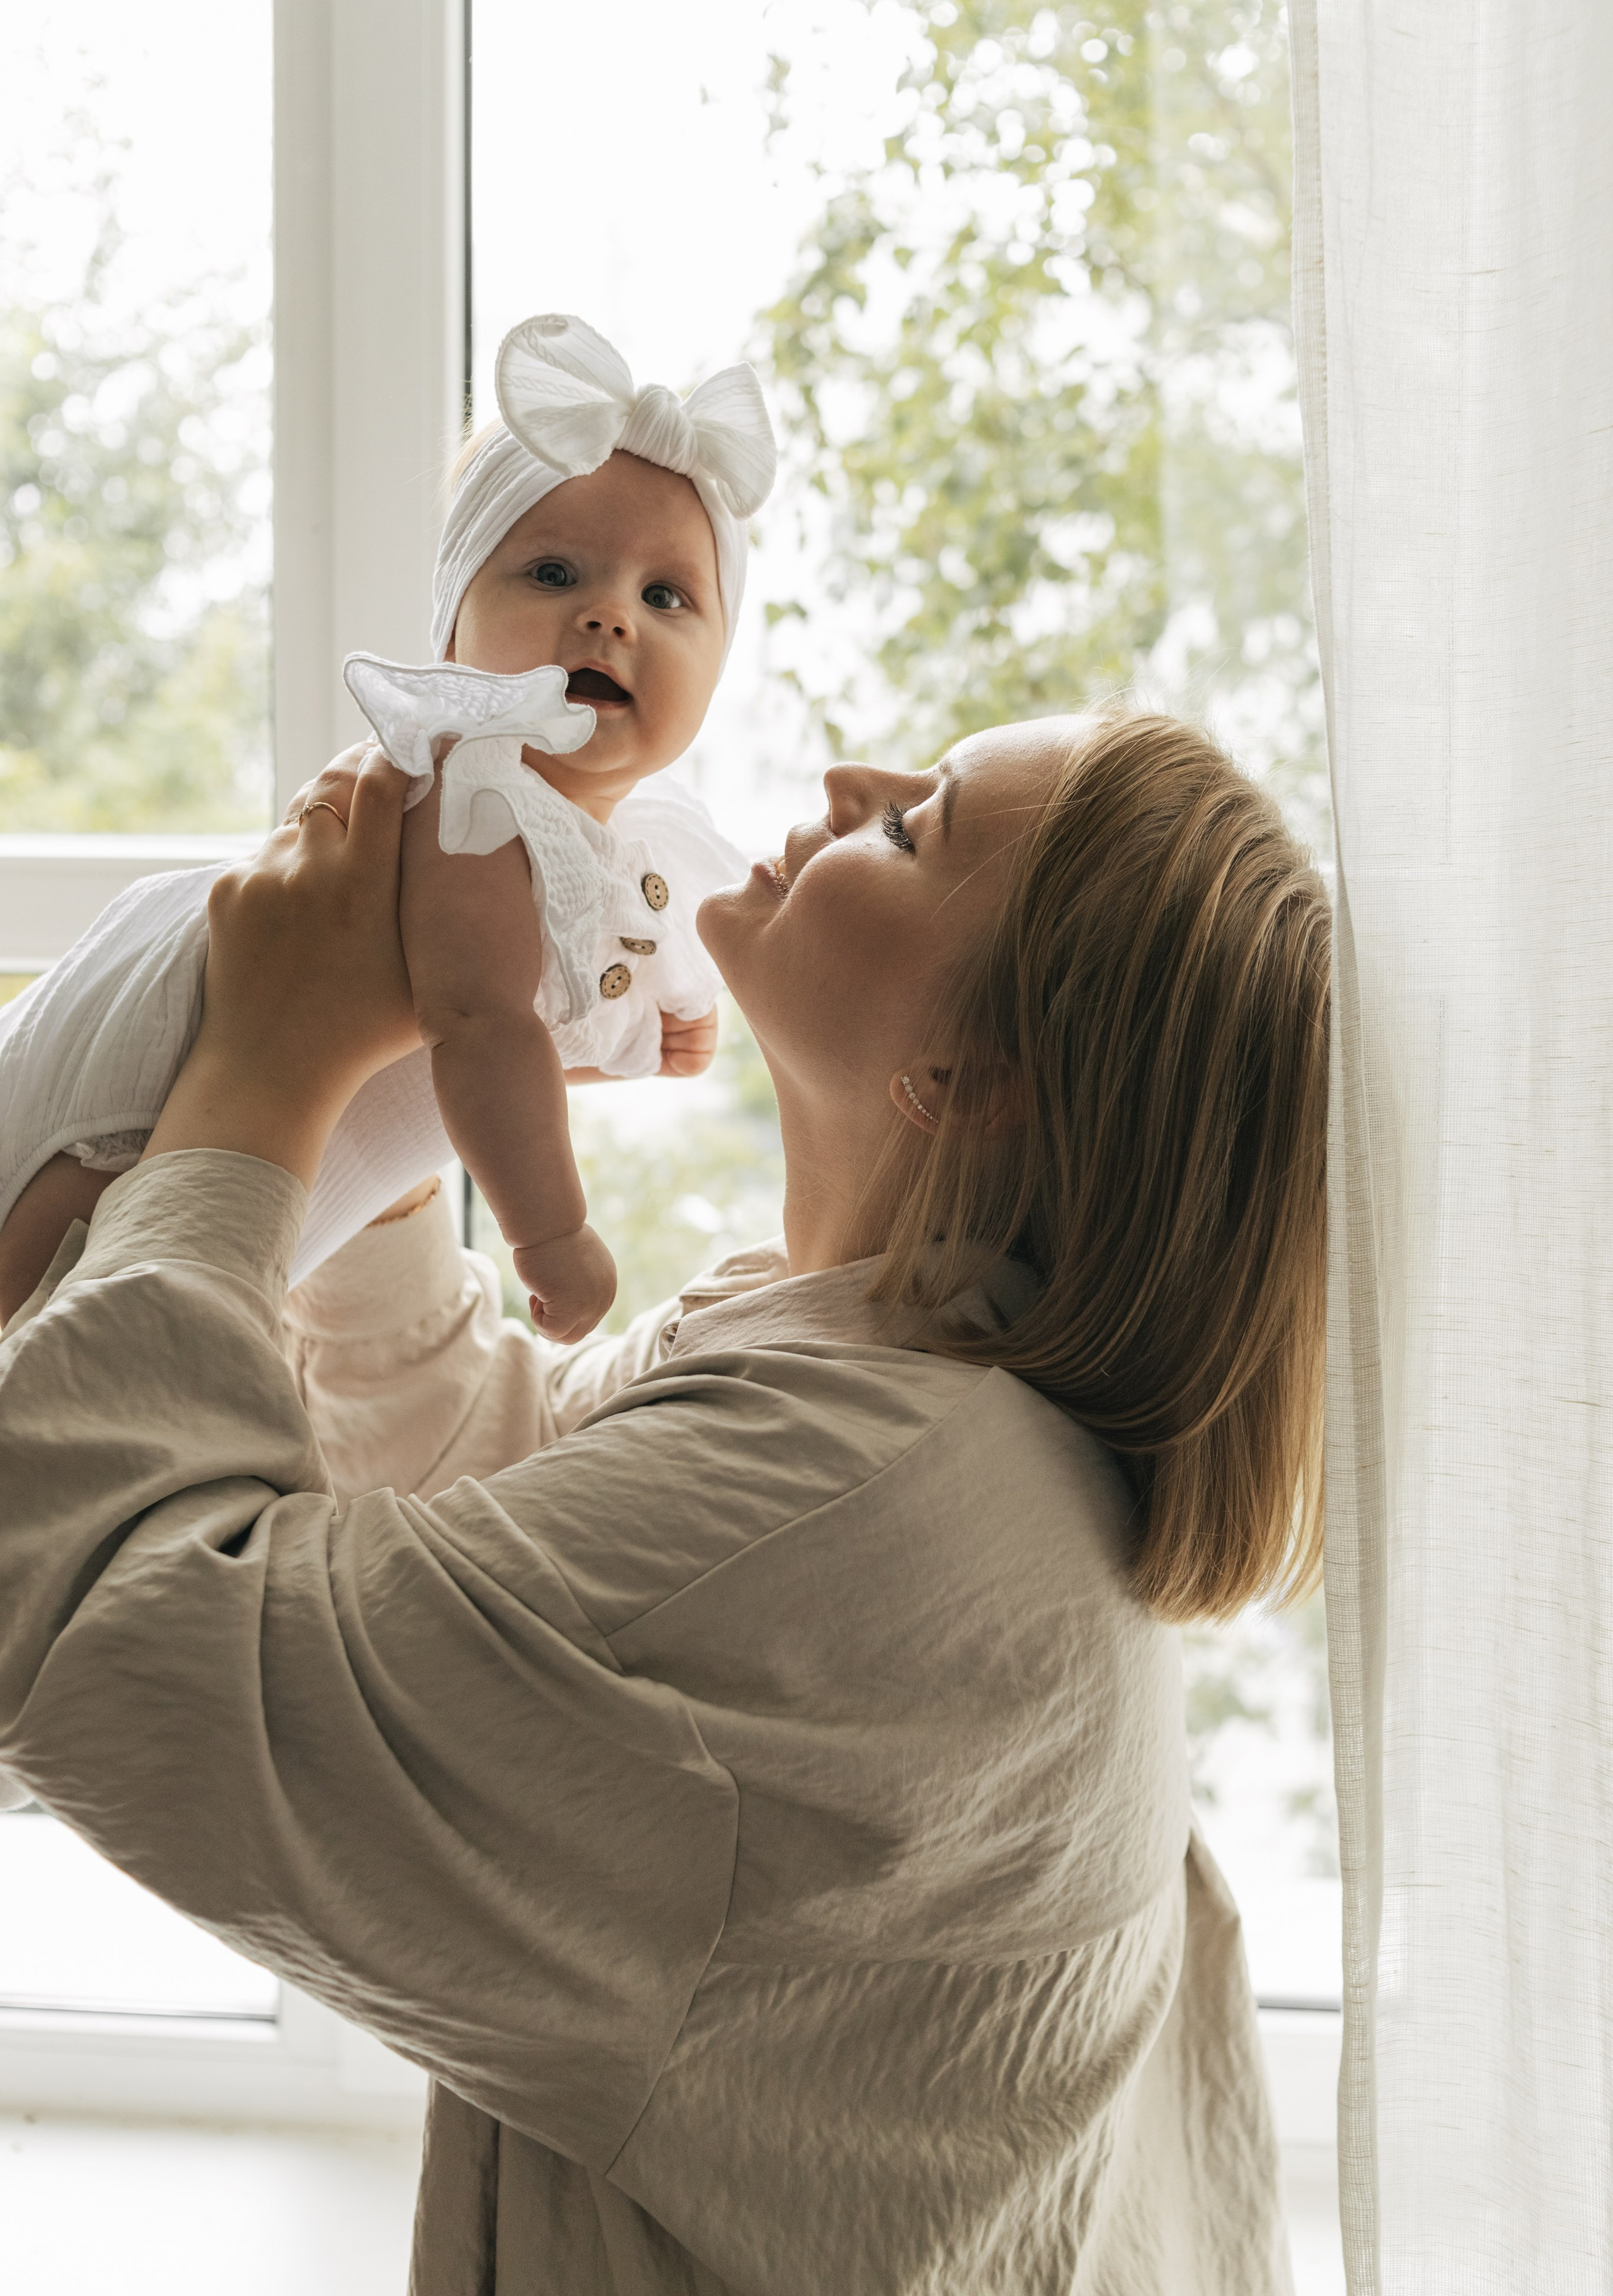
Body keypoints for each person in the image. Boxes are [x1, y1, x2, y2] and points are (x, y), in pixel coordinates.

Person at [0, 701, 1328, 2294]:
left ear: (966, 1079)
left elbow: (95, 1619)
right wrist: (390, 1138)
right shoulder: (904, 1390)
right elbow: (504, 1534)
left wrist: (261, 1081)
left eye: (915, 829)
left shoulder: (854, 1513)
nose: (853, 784)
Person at [0, 313, 775, 1337]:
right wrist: (551, 1234)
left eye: (666, 594)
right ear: (453, 626)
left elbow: (469, 1023)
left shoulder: (595, 845)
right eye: (553, 573)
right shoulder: (476, 792)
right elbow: (478, 1028)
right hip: (136, 1112)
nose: (609, 616)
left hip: (246, 1123)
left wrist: (620, 1040)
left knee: (91, 1356)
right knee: (48, 1329)